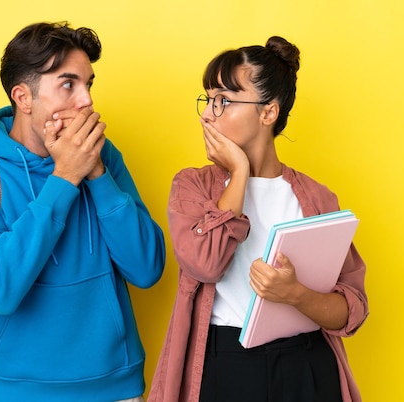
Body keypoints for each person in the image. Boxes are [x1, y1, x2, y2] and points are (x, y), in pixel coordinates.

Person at [0, 21, 165, 402]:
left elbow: (147, 268)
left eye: (88, 84)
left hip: (116, 388)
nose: (86, 101)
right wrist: (65, 177)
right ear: (24, 98)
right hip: (19, 391)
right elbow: (0, 287)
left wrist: (94, 172)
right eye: (68, 84)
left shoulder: (104, 157)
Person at [149, 36, 368, 402]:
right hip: (225, 364)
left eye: (223, 101)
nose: (207, 113)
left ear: (268, 113)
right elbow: (205, 264)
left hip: (307, 366)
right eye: (208, 99)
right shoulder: (193, 187)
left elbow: (351, 310)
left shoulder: (317, 198)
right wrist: (238, 170)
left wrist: (296, 295)